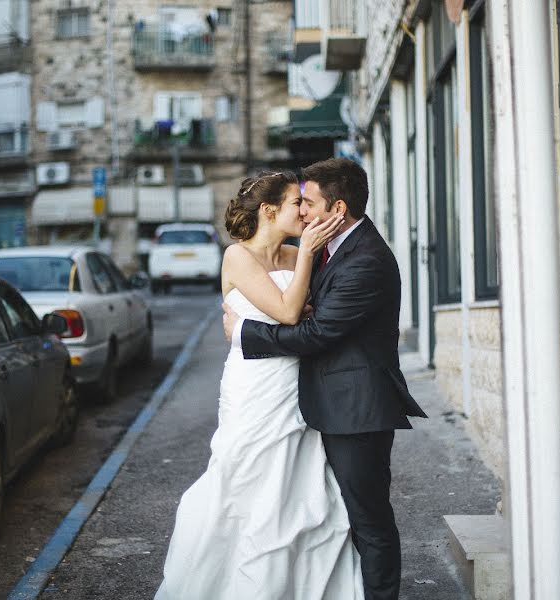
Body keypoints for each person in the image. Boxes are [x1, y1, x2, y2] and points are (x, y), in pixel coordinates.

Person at [223, 158, 428, 600]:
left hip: (356, 408)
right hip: (301, 399)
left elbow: (315, 331)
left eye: (308, 203)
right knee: (306, 507)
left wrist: (244, 332)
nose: (303, 214)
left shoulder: (366, 260)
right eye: (298, 204)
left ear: (336, 208)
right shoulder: (330, 249)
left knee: (367, 520)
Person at [155, 170, 363, 599]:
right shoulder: (238, 257)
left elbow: (316, 317)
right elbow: (290, 313)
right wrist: (306, 257)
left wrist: (302, 263)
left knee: (295, 485)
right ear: (270, 211)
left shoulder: (292, 254)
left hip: (294, 384)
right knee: (246, 477)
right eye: (295, 204)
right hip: (253, 386)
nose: (303, 211)